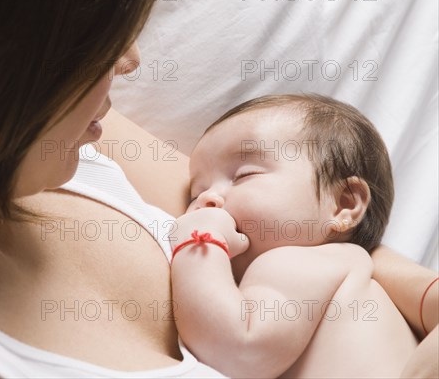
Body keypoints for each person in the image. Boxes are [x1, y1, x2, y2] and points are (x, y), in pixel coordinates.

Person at [0, 0, 436, 378]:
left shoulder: (77, 149)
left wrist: (422, 292)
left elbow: (300, 221)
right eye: (98, 44)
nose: (130, 62)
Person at [170, 94, 438, 378]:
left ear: (344, 204)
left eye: (244, 175)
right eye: (196, 194)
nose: (208, 199)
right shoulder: (348, 274)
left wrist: (198, 242)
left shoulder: (299, 262)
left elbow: (237, 351)